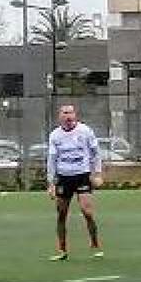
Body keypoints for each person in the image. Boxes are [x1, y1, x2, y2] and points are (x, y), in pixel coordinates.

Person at [46, 104, 104, 261]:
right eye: (65, 113)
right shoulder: (55, 136)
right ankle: (62, 250)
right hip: (64, 178)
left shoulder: (85, 131)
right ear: (60, 116)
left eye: (70, 112)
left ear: (75, 115)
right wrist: (51, 184)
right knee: (61, 214)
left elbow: (95, 153)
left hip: (82, 175)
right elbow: (51, 160)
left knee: (87, 212)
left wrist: (97, 173)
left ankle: (95, 244)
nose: (68, 116)